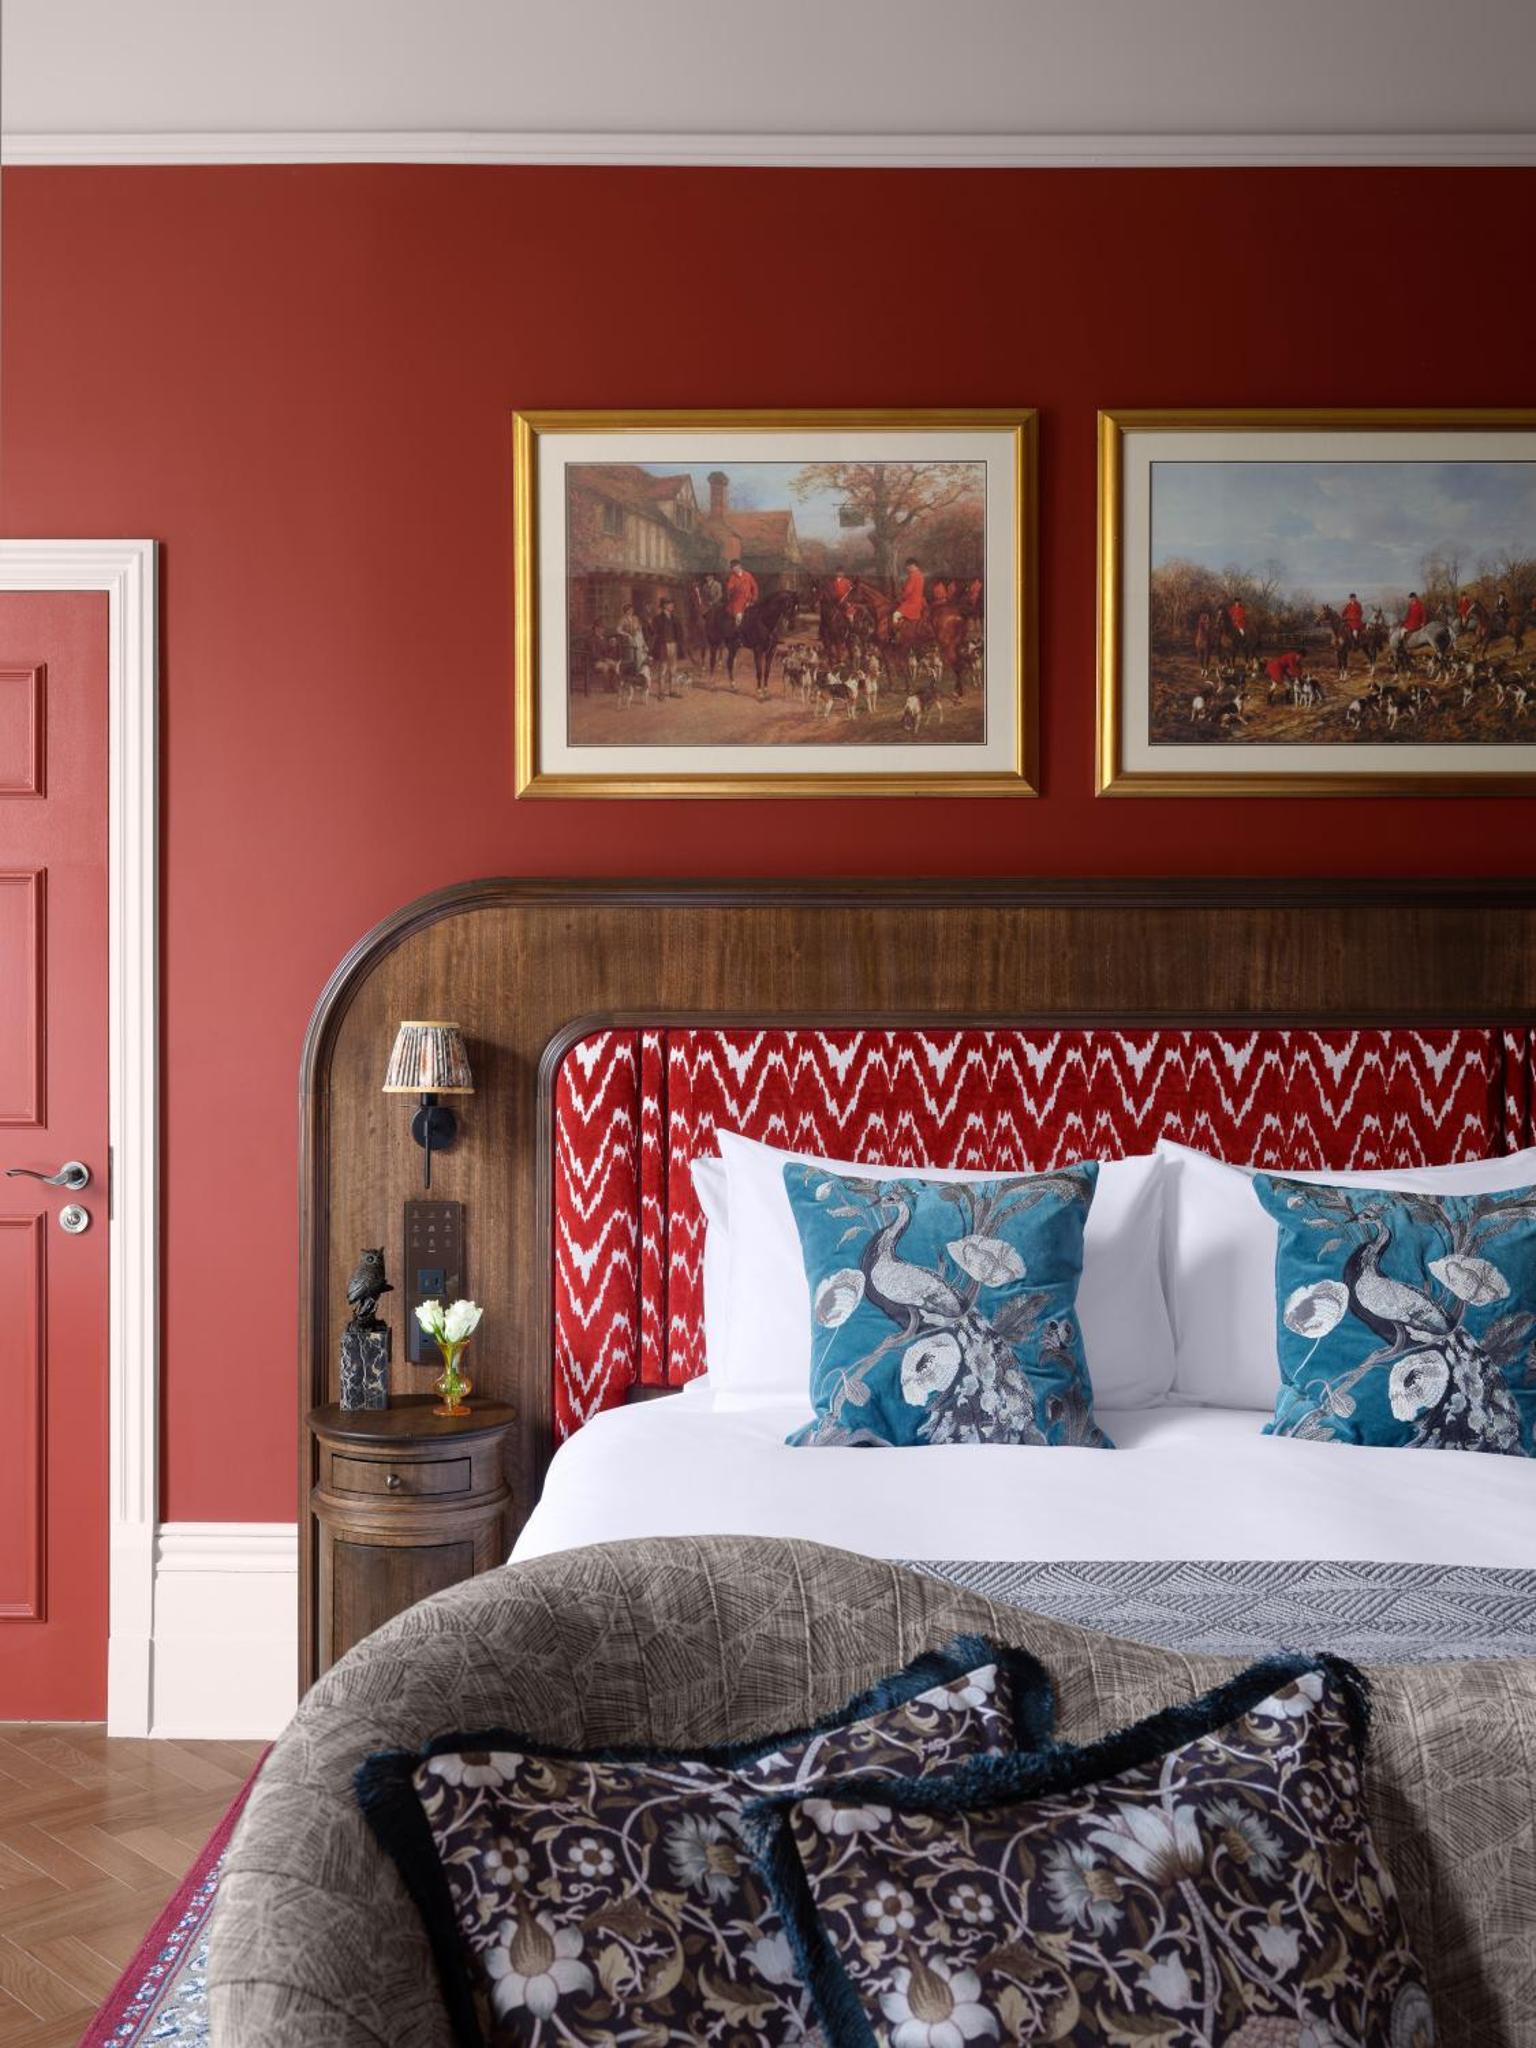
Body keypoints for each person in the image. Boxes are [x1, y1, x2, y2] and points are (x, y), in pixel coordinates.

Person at [647, 596, 685, 698]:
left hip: (674, 645)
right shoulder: (657, 619)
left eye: (672, 603)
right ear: (664, 606)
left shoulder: (675, 618)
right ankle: (661, 692)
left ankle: (672, 691)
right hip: (663, 646)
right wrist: (650, 624)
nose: (672, 606)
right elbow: (653, 633)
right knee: (662, 669)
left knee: (673, 670)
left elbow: (680, 633)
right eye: (670, 604)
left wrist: (680, 644)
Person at [895, 557, 926, 629]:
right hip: (918, 603)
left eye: (908, 567)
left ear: (912, 565)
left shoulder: (913, 575)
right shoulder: (920, 575)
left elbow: (908, 591)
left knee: (895, 615)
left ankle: (895, 637)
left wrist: (901, 597)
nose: (907, 569)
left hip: (911, 603)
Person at [724, 558, 758, 624]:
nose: (734, 569)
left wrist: (754, 599)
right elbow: (729, 589)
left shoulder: (748, 575)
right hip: (738, 603)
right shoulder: (732, 578)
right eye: (733, 568)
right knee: (739, 619)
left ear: (739, 566)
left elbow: (755, 587)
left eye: (735, 567)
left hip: (750, 601)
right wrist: (734, 589)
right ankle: (738, 632)